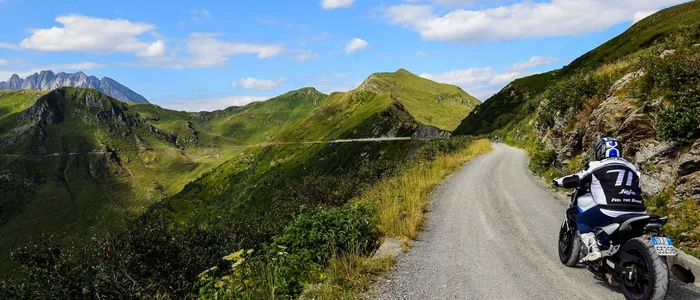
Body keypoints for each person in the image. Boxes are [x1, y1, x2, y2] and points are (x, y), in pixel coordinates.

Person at [552, 137, 646, 262]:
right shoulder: (632, 167)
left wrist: (558, 181)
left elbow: (577, 178)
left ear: (600, 151)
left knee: (582, 219)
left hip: (610, 210)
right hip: (639, 211)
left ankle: (593, 251)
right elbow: (638, 189)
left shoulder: (596, 165)